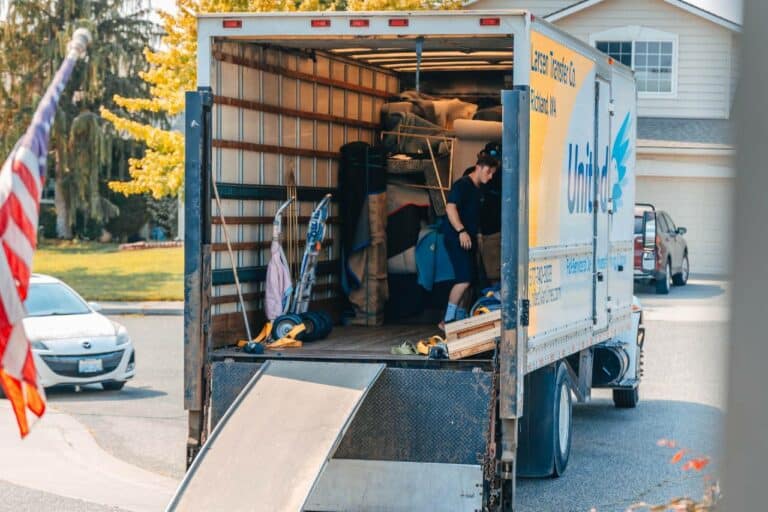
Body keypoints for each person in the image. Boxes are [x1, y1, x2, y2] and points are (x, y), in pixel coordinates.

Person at [441, 155, 499, 327]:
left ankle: (460, 317)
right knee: (464, 279)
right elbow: (450, 208)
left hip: (470, 238)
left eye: (492, 174)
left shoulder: (479, 189)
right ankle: (448, 319)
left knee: (471, 280)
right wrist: (461, 231)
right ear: (478, 167)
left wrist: (477, 236)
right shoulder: (462, 185)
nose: (490, 177)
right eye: (488, 172)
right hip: (457, 238)